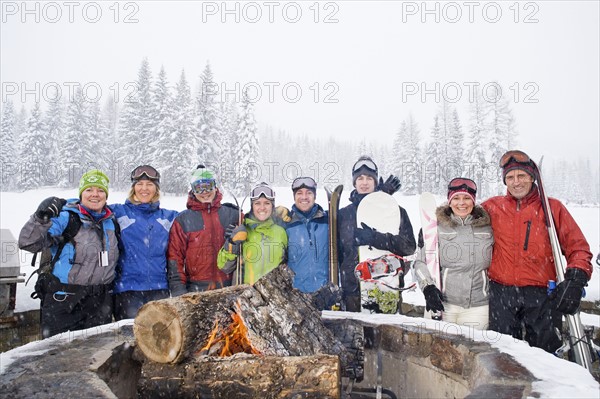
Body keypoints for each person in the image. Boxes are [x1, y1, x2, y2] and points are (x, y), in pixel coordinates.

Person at [482, 150, 593, 353]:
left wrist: (576, 278)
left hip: (542, 295)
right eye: (510, 177)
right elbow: (462, 216)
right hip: (502, 294)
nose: (516, 182)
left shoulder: (552, 208)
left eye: (521, 175)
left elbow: (578, 248)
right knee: (503, 357)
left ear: (532, 177)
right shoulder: (493, 207)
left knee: (546, 356)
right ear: (505, 181)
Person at [18, 170, 120, 338]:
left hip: (100, 305)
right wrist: (40, 218)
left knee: (97, 357)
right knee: (57, 357)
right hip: (65, 302)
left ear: (106, 195)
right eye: (89, 189)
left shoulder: (111, 222)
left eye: (100, 190)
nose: (95, 194)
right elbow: (28, 243)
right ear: (81, 193)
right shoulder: (67, 218)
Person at [337, 156, 415, 312]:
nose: (364, 182)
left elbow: (408, 247)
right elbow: (337, 252)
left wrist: (374, 238)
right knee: (355, 336)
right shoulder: (343, 215)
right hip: (352, 291)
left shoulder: (396, 211)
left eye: (369, 178)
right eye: (360, 178)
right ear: (354, 182)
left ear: (376, 182)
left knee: (386, 336)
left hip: (387, 288)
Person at [413, 177, 494, 329]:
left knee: (473, 350)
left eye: (466, 198)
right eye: (456, 198)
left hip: (478, 307)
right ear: (449, 201)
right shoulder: (437, 228)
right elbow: (420, 263)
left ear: (474, 201)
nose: (461, 203)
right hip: (444, 305)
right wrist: (428, 287)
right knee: (439, 350)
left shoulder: (488, 228)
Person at [109, 165, 178, 320]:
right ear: (133, 188)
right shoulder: (118, 212)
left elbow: (193, 218)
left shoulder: (168, 217)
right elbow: (90, 206)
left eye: (149, 184)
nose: (144, 189)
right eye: (139, 184)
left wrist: (228, 210)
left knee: (159, 340)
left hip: (159, 289)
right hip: (127, 290)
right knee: (130, 340)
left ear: (156, 189)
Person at [167, 165, 240, 295]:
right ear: (193, 191)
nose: (205, 192)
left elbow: (254, 222)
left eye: (208, 185)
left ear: (215, 186)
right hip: (196, 290)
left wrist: (277, 215)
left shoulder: (232, 214)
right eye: (199, 187)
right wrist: (178, 290)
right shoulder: (183, 220)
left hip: (228, 287)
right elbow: (175, 257)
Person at [218, 182, 288, 284]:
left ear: (273, 206)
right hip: (246, 297)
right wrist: (232, 243)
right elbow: (224, 266)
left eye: (267, 203)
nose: (262, 207)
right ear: (252, 206)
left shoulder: (281, 232)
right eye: (257, 203)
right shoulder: (241, 229)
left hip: (274, 296)